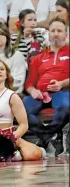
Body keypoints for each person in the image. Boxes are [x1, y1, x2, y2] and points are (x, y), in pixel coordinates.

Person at [23, 18, 69, 156]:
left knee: (66, 107)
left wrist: (62, 83)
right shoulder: (38, 57)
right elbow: (29, 83)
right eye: (53, 31)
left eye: (59, 31)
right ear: (48, 34)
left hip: (62, 91)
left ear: (66, 35)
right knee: (21, 109)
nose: (55, 34)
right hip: (40, 93)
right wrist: (33, 91)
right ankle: (51, 137)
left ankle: (44, 139)